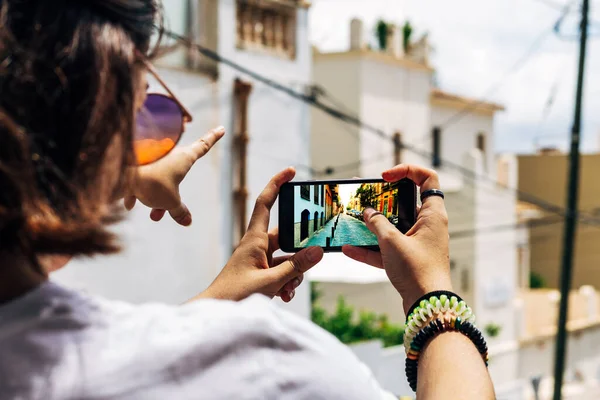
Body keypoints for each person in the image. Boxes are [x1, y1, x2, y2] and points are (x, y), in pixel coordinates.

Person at [0, 1, 495, 399]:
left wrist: (214, 303)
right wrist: (431, 294)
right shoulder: (265, 361)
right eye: (145, 118)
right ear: (86, 150)